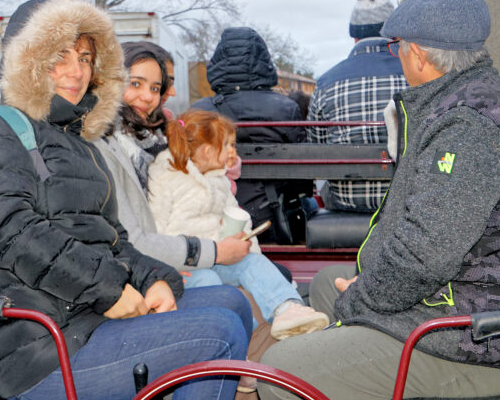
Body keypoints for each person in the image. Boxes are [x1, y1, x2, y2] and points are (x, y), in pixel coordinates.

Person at [257, 0, 500, 400]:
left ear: (418, 54)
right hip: (471, 302)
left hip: (492, 338)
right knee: (324, 285)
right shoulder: (461, 102)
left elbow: (424, 255)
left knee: (285, 375)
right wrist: (364, 292)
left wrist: (360, 299)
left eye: (397, 46)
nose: (397, 55)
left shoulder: (467, 126)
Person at [0, 0, 252, 400]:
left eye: (85, 58)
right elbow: (13, 234)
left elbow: (113, 239)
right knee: (220, 333)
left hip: (84, 319)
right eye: (60, 56)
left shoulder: (80, 143)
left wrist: (155, 278)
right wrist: (110, 291)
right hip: (41, 346)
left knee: (233, 302)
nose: (76, 71)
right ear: (28, 59)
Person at [147, 109, 329, 340]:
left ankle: (287, 309)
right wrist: (164, 269)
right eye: (227, 145)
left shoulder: (218, 179)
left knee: (253, 263)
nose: (232, 152)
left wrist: (248, 249)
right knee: (209, 283)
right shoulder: (165, 174)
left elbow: (242, 222)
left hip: (220, 258)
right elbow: (154, 227)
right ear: (208, 151)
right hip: (183, 266)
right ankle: (239, 337)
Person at [93, 42, 252, 281]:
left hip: (174, 247)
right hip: (139, 263)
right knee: (216, 283)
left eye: (155, 88)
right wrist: (212, 252)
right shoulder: (104, 146)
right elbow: (133, 237)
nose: (148, 96)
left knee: (256, 272)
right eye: (135, 83)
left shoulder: (156, 137)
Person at [191, 27, 310, 244]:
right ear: (263, 61)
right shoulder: (285, 108)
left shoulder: (199, 110)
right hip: (272, 218)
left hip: (216, 218)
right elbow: (301, 175)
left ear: (218, 62)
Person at [307, 0, 407, 213]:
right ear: (395, 35)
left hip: (346, 201)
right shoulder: (414, 75)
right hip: (405, 200)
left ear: (354, 38)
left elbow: (317, 147)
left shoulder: (326, 82)